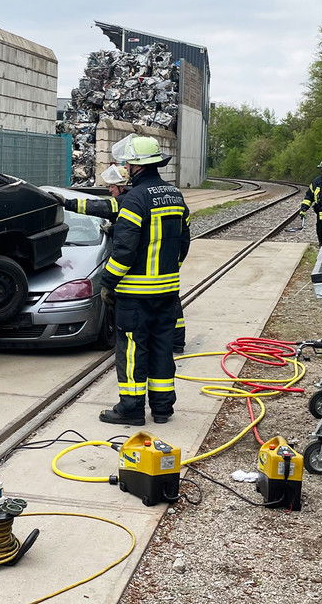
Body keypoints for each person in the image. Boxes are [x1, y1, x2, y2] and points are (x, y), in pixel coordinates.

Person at [98, 135, 190, 426]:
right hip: (167, 289)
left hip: (135, 293)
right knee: (163, 346)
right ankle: (163, 409)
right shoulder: (175, 195)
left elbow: (124, 250)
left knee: (134, 350)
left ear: (135, 166)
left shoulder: (134, 199)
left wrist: (107, 281)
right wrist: (169, 271)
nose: (125, 167)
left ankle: (132, 408)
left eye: (127, 163)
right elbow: (184, 242)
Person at [61, 163, 188, 353]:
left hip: (141, 281)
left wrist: (66, 203)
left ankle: (170, 343)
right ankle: (176, 342)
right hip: (167, 277)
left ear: (123, 186)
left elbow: (99, 208)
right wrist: (174, 265)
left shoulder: (129, 200)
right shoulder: (173, 195)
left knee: (136, 344)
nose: (110, 190)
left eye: (112, 187)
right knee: (170, 312)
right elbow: (183, 240)